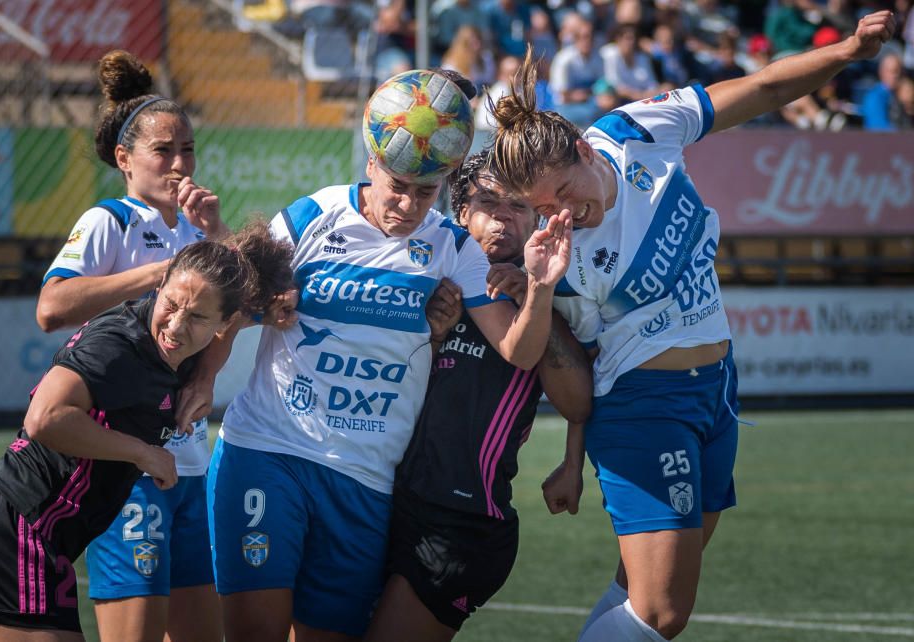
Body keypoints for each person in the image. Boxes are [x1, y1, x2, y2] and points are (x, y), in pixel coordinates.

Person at [487, 13, 896, 640]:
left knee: (639, 593)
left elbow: (759, 90)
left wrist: (849, 49)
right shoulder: (560, 256)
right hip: (645, 409)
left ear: (585, 148)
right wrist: (540, 290)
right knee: (662, 612)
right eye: (544, 207)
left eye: (564, 192)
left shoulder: (635, 130)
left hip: (716, 394)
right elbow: (574, 363)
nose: (563, 213)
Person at [201, 68, 573, 642]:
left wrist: (541, 290)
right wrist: (210, 373)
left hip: (365, 480)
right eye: (396, 185)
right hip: (268, 451)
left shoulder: (451, 245)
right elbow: (232, 302)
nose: (406, 203)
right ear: (371, 162)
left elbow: (517, 352)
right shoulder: (310, 217)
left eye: (425, 192)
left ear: (446, 180)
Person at [0, 233, 295, 642]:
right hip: (18, 531)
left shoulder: (179, 345)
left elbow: (236, 312)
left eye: (198, 318)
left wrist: (206, 376)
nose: (175, 325)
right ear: (161, 281)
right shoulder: (119, 345)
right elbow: (45, 418)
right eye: (171, 304)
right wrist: (144, 453)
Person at [35, 50, 229, 642]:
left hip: (191, 460)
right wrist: (157, 274)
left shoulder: (200, 225)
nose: (178, 163)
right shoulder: (109, 221)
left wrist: (218, 237)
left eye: (188, 149)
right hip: (125, 465)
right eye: (162, 150)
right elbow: (51, 307)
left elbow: (235, 317)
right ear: (125, 158)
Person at [363, 151, 593, 642]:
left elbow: (577, 403)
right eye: (489, 203)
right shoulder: (425, 279)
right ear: (461, 213)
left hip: (463, 522)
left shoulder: (550, 298)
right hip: (382, 499)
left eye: (518, 206)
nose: (503, 219)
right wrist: (437, 336)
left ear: (537, 217)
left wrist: (536, 296)